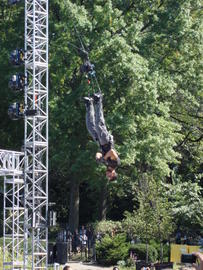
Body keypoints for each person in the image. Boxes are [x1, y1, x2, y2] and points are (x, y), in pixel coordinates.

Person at [84, 92, 120, 181]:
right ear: (113, 173)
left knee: (90, 126)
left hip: (100, 143)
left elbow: (100, 152)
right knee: (98, 123)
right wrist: (104, 158)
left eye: (107, 176)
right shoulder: (115, 163)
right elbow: (111, 151)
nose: (107, 175)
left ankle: (89, 104)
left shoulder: (107, 164)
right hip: (106, 141)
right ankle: (99, 100)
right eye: (109, 176)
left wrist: (98, 156)